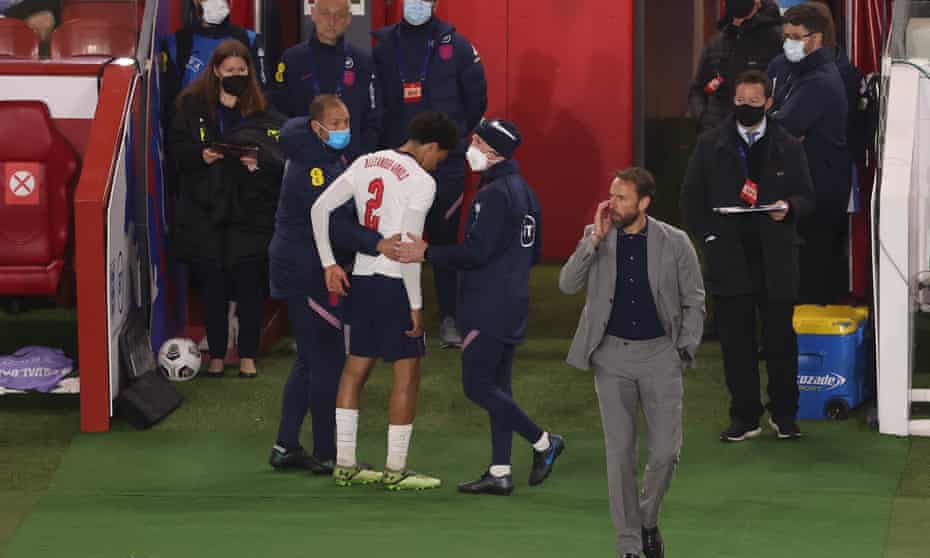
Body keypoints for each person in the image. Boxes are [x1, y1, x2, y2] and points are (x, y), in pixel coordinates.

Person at [393, 119, 565, 496]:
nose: (469, 147)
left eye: (476, 141)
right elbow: (532, 253)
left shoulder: (492, 194)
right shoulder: (525, 192)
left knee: (476, 386)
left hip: (487, 304)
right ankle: (500, 471)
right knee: (498, 387)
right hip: (514, 301)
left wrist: (428, 252)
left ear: (491, 150)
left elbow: (475, 253)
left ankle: (542, 442)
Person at [310, 111, 459, 490]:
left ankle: (344, 463)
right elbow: (408, 249)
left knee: (355, 369)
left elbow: (319, 208)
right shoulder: (422, 182)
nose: (437, 165)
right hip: (394, 286)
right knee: (406, 375)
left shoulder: (364, 162)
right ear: (430, 147)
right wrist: (416, 305)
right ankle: (397, 468)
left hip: (361, 278)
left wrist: (329, 263)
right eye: (439, 158)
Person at [560, 168, 704, 558]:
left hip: (661, 355)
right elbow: (567, 284)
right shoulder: (600, 236)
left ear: (644, 203)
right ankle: (629, 544)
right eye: (611, 195)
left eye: (621, 198)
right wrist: (592, 241)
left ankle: (646, 520)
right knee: (619, 453)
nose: (611, 204)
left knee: (665, 452)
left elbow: (694, 299)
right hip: (612, 357)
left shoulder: (675, 242)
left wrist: (683, 348)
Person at [268, 95, 402, 472]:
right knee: (326, 361)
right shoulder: (313, 168)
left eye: (347, 121)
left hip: (305, 265)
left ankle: (285, 445)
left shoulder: (322, 152)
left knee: (310, 361)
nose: (345, 129)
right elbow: (332, 223)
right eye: (337, 124)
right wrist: (376, 242)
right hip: (307, 270)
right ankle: (327, 453)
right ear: (317, 127)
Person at [680, 70, 815, 441]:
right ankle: (745, 417)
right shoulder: (710, 144)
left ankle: (784, 415)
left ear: (769, 103)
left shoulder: (788, 145)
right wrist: (709, 236)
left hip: (776, 257)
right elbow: (691, 200)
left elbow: (807, 197)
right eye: (739, 102)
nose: (745, 108)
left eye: (754, 103)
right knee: (736, 343)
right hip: (729, 256)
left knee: (780, 344)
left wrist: (789, 207)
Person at [372, 0, 488, 348]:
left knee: (443, 240)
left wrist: (450, 138)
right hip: (397, 160)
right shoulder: (383, 46)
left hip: (445, 163)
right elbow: (376, 102)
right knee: (392, 237)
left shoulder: (458, 46)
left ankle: (449, 318)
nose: (416, 4)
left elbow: (476, 99)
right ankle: (392, 315)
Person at [167, 39, 285, 378]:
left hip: (249, 211)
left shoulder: (263, 110)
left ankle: (247, 355)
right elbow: (176, 150)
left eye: (241, 70)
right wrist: (200, 155)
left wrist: (257, 162)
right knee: (213, 285)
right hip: (206, 210)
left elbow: (281, 151)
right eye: (229, 69)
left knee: (250, 284)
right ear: (216, 70)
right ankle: (216, 355)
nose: (236, 74)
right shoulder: (190, 105)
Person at [768, 2, 850, 304]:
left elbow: (782, 128)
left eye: (796, 36)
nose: (788, 42)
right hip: (802, 190)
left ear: (815, 39)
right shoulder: (790, 72)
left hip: (820, 194)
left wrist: (774, 116)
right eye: (786, 35)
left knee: (812, 282)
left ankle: (811, 347)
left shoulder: (821, 81)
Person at [269, 0, 380, 161]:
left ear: (349, 19)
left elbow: (373, 116)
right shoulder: (292, 60)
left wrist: (360, 156)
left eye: (339, 15)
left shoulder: (363, 61)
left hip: (352, 162)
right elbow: (279, 112)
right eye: (325, 13)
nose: (332, 21)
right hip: (303, 159)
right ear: (313, 14)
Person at [161, 0, 267, 121]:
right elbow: (169, 103)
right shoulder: (177, 43)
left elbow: (261, 94)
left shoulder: (249, 40)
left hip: (240, 131)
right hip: (193, 131)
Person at [688, 0, 784, 134]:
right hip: (718, 136)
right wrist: (704, 118)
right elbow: (698, 89)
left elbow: (787, 89)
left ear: (758, 2)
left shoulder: (777, 39)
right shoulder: (717, 42)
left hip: (760, 137)